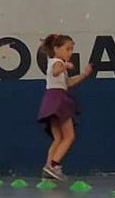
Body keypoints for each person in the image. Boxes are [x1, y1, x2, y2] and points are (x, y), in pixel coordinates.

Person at [37, 34, 93, 181]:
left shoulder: (57, 63)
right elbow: (56, 71)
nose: (70, 52)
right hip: (58, 100)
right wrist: (64, 65)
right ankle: (54, 165)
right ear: (56, 49)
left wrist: (84, 74)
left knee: (58, 138)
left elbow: (68, 83)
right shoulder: (56, 62)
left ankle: (48, 168)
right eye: (67, 49)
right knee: (69, 136)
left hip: (52, 100)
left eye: (72, 49)